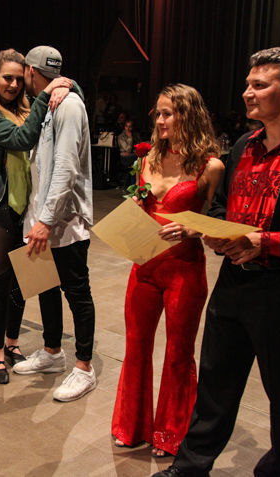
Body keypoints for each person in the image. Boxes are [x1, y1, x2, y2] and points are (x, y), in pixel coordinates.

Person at [155, 47, 280, 477]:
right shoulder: (243, 146)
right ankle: (190, 466)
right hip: (233, 283)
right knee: (215, 381)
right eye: (248, 84)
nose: (247, 93)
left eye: (260, 85)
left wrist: (265, 242)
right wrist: (213, 231)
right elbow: (220, 207)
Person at [111, 84, 224, 458]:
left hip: (184, 270)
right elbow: (141, 206)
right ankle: (131, 426)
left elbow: (219, 220)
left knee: (178, 352)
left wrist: (192, 228)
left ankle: (172, 433)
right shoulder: (146, 158)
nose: (159, 121)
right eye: (157, 114)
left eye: (167, 114)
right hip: (144, 264)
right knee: (135, 346)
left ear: (188, 116)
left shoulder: (210, 167)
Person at [0, 48, 73, 384]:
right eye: (7, 78)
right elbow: (22, 137)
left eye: (18, 78)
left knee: (23, 280)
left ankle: (13, 342)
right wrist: (46, 94)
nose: (13, 85)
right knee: (0, 280)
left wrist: (68, 85)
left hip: (30, 204)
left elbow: (72, 96)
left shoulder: (28, 107)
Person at [7, 46, 96, 403]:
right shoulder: (47, 103)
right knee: (44, 287)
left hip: (64, 221)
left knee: (77, 293)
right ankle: (52, 352)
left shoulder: (69, 105)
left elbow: (66, 166)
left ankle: (84, 367)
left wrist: (46, 220)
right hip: (40, 218)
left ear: (31, 71)